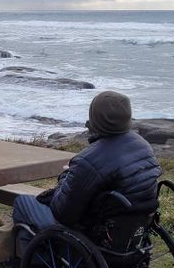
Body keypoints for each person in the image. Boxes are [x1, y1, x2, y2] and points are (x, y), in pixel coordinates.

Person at [12, 90, 161, 248]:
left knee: (23, 202)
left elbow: (63, 213)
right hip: (130, 228)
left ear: (95, 119)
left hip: (94, 233)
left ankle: (34, 262)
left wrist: (66, 175)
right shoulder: (143, 145)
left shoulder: (90, 160)